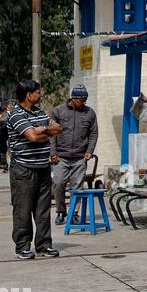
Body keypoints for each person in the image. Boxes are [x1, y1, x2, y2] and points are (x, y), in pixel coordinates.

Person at [6, 80, 62, 259]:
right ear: (29, 95)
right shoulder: (15, 114)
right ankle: (22, 246)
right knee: (23, 209)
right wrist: (42, 132)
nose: (41, 95)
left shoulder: (39, 112)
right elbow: (31, 136)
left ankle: (44, 245)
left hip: (43, 167)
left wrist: (41, 130)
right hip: (23, 170)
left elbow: (58, 128)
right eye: (38, 92)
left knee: (43, 209)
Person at [49, 84, 99, 225]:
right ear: (73, 98)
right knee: (58, 183)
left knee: (77, 187)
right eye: (82, 100)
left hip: (80, 157)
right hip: (61, 157)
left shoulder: (90, 113)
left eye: (86, 99)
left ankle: (74, 213)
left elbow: (93, 133)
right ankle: (60, 211)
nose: (84, 103)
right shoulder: (58, 111)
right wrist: (53, 152)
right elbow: (51, 134)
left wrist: (89, 151)